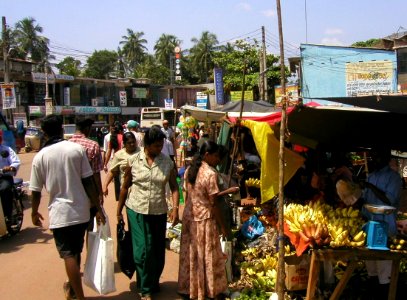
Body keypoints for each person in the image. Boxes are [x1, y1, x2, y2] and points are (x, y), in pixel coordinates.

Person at [29, 114, 106, 300]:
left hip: (60, 213)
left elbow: (35, 191)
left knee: (68, 255)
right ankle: (72, 289)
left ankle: (78, 295)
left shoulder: (40, 156)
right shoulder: (76, 150)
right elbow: (89, 182)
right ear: (63, 130)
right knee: (76, 251)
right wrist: (97, 208)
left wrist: (33, 211)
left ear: (44, 134)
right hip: (81, 211)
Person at [117, 126, 179, 300]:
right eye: (156, 146)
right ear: (147, 144)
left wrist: (175, 209)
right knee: (142, 249)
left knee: (157, 250)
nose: (159, 149)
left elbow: (174, 187)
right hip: (136, 209)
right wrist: (118, 211)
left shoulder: (167, 162)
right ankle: (145, 289)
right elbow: (125, 186)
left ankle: (152, 281)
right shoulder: (134, 160)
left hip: (158, 211)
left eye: (161, 146)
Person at [178, 141, 240, 300]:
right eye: (216, 156)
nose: (218, 160)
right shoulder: (210, 174)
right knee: (207, 255)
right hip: (204, 218)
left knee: (192, 254)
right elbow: (213, 204)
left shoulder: (190, 170)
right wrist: (224, 228)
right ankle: (208, 290)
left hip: (190, 216)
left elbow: (193, 196)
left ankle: (191, 288)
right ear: (207, 155)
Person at [361, 148, 402, 299]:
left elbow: (389, 200)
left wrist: (370, 187)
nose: (373, 159)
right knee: (372, 271)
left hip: (385, 231)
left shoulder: (394, 178)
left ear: (386, 157)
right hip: (369, 227)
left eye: (377, 156)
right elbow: (365, 200)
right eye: (372, 157)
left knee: (384, 275)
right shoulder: (371, 176)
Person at [69, 117, 104, 231]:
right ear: (87, 129)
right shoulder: (93, 145)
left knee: (75, 230)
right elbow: (96, 174)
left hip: (71, 193)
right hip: (89, 194)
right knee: (91, 229)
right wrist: (100, 194)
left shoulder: (66, 144)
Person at [102, 132, 140, 198]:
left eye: (133, 142)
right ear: (124, 143)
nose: (132, 144)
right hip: (127, 190)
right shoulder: (119, 155)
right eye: (129, 143)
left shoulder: (142, 152)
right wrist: (105, 185)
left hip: (141, 190)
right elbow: (112, 171)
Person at [0, 130, 21, 224]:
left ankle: (8, 214)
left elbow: (16, 161)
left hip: (4, 177)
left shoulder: (6, 149)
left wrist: (10, 167)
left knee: (4, 189)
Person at [104, 122, 123, 201]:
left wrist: (105, 163)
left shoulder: (112, 138)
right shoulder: (123, 137)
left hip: (115, 160)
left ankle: (118, 196)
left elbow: (108, 152)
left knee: (116, 179)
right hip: (123, 159)